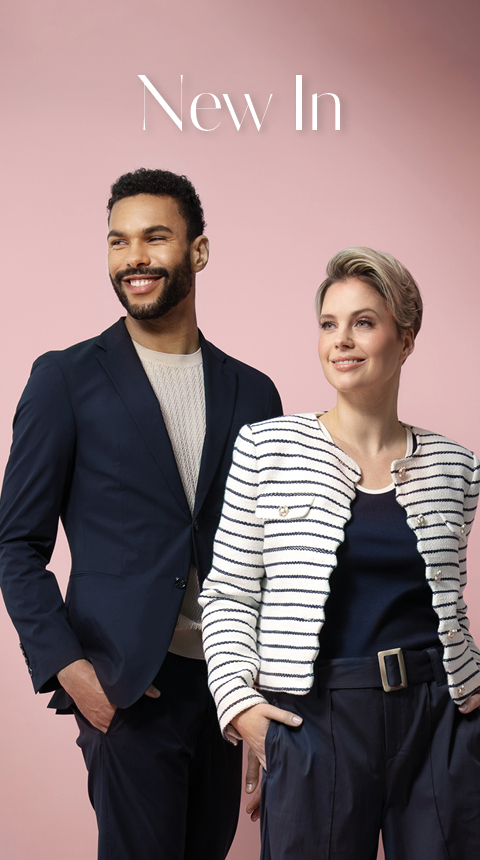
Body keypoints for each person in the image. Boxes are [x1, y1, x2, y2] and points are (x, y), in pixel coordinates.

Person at [0, 168, 283, 860]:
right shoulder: (64, 380)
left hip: (225, 691)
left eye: (155, 238)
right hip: (129, 690)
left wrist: (255, 698)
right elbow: (15, 544)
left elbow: (271, 558)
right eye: (118, 242)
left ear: (198, 251)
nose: (134, 259)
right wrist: (72, 671)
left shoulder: (255, 393)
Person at [200, 247, 480, 860]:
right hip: (316, 716)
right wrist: (240, 703)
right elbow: (228, 594)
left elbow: (447, 601)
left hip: (439, 718)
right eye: (329, 324)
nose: (341, 341)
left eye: (364, 322)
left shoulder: (455, 466)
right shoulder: (267, 449)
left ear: (406, 339)